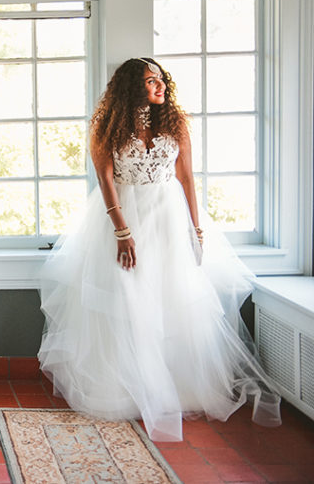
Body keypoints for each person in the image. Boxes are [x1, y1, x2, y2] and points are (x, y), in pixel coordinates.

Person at [37, 57, 281, 442]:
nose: (161, 86)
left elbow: (186, 177)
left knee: (173, 300)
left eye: (162, 80)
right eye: (152, 81)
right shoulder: (106, 125)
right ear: (133, 86)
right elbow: (104, 178)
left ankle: (176, 387)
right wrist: (122, 230)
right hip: (125, 219)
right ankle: (123, 388)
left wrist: (195, 227)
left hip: (169, 218)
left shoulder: (176, 122)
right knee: (126, 301)